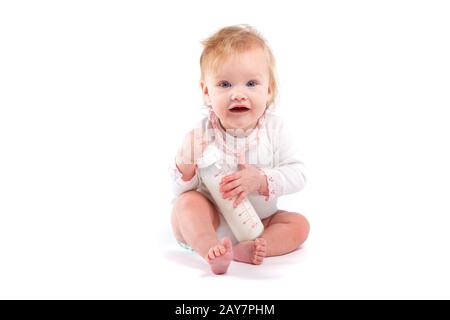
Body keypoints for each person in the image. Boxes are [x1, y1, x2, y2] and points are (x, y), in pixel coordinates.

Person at [170, 25, 310, 275]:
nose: (238, 94)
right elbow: (181, 190)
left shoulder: (275, 130)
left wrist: (261, 180)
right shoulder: (202, 133)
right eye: (224, 84)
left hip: (260, 222)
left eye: (251, 83)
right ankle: (211, 249)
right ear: (206, 91)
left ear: (269, 89)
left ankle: (254, 248)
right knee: (187, 204)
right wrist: (185, 161)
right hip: (213, 222)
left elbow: (299, 174)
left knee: (298, 225)